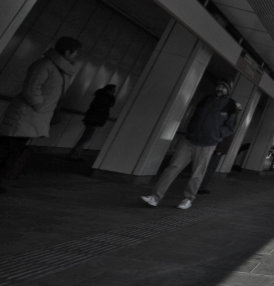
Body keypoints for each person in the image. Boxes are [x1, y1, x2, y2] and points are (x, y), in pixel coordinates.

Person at [0, 37, 81, 193]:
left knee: (11, 150)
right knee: (4, 149)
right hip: (26, 114)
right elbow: (31, 87)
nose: (77, 56)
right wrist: (39, 105)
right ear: (68, 51)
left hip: (33, 115)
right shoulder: (45, 64)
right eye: (76, 52)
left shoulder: (56, 68)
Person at [141, 79, 238, 209]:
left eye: (223, 87)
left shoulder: (231, 105)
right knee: (172, 168)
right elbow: (194, 116)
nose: (220, 88)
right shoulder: (206, 99)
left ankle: (188, 199)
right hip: (189, 141)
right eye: (218, 86)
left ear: (228, 91)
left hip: (207, 144)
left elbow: (230, 127)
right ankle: (155, 197)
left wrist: (216, 135)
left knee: (197, 173)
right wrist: (190, 130)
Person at [196, 101, 241, 195]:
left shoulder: (227, 118)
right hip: (217, 148)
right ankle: (200, 187)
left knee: (207, 167)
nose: (238, 112)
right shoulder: (228, 119)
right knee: (209, 168)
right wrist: (220, 149)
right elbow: (224, 135)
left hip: (216, 147)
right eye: (238, 110)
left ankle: (200, 186)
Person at [67, 84, 117, 161]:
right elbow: (105, 107)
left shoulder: (99, 96)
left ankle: (76, 154)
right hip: (95, 120)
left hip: (91, 118)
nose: (114, 92)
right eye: (113, 90)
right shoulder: (106, 98)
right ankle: (74, 155)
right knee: (86, 138)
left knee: (85, 137)